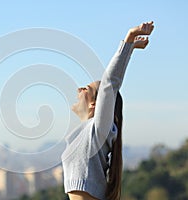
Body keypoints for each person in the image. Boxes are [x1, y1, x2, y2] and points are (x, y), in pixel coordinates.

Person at [61, 21, 155, 200]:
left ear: (95, 104)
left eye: (85, 88)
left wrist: (128, 40)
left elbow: (110, 84)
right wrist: (131, 48)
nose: (78, 90)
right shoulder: (84, 135)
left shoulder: (98, 131)